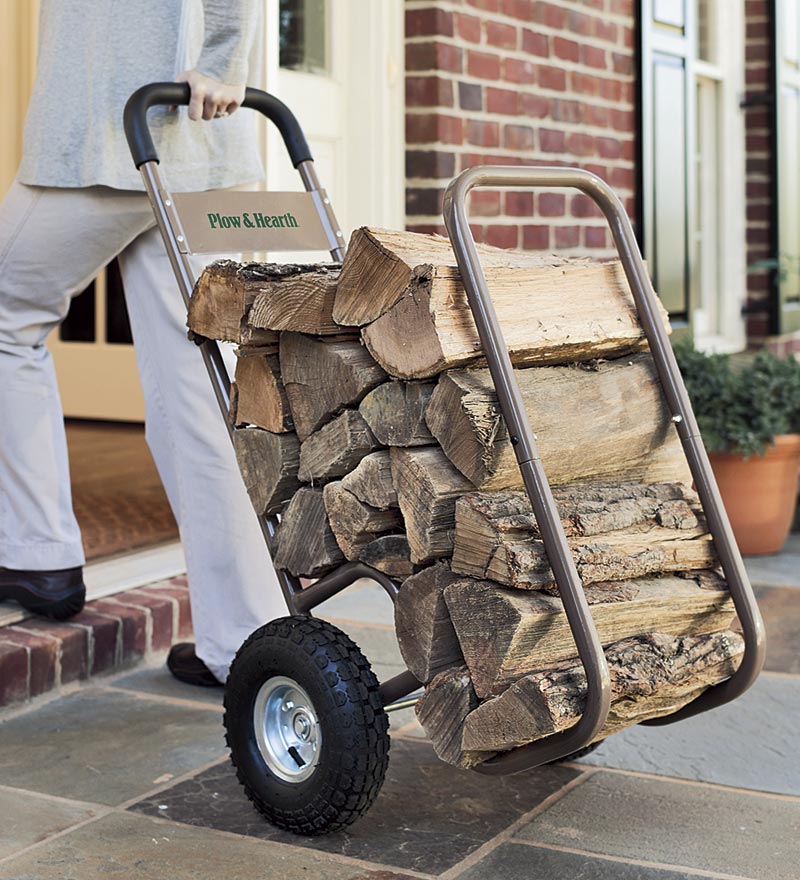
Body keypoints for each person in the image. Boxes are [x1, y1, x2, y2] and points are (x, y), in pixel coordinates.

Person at [0, 0, 289, 686]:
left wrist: (220, 60)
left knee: (6, 310)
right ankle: (244, 640)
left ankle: (37, 550)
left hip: (106, 132)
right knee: (200, 388)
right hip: (207, 154)